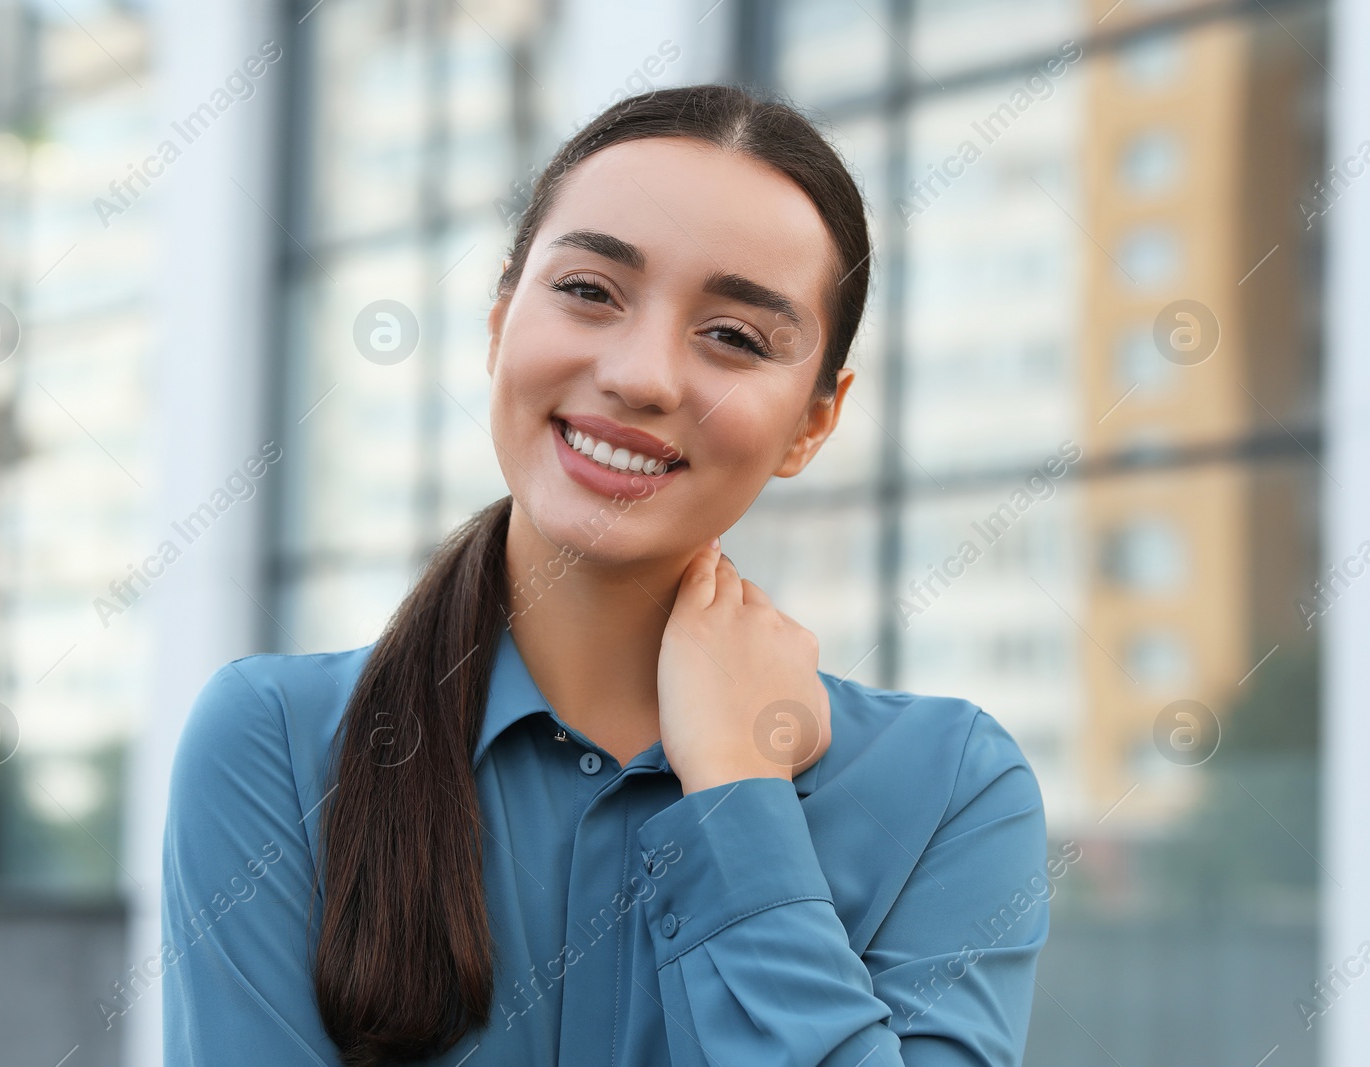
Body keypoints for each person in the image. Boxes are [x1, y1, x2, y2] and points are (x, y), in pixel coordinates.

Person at [161, 83, 1049, 1066]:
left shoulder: (948, 790)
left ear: (812, 421)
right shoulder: (275, 744)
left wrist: (738, 794)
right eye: (589, 290)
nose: (641, 375)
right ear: (500, 322)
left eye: (734, 336)